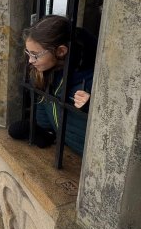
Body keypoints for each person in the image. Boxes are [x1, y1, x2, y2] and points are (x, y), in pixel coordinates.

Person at [8, 15, 96, 155]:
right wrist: (45, 131)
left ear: (61, 51)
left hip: (90, 155)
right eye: (28, 53)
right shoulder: (45, 71)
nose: (30, 60)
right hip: (67, 146)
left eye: (35, 55)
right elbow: (42, 100)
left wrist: (92, 107)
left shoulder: (92, 79)